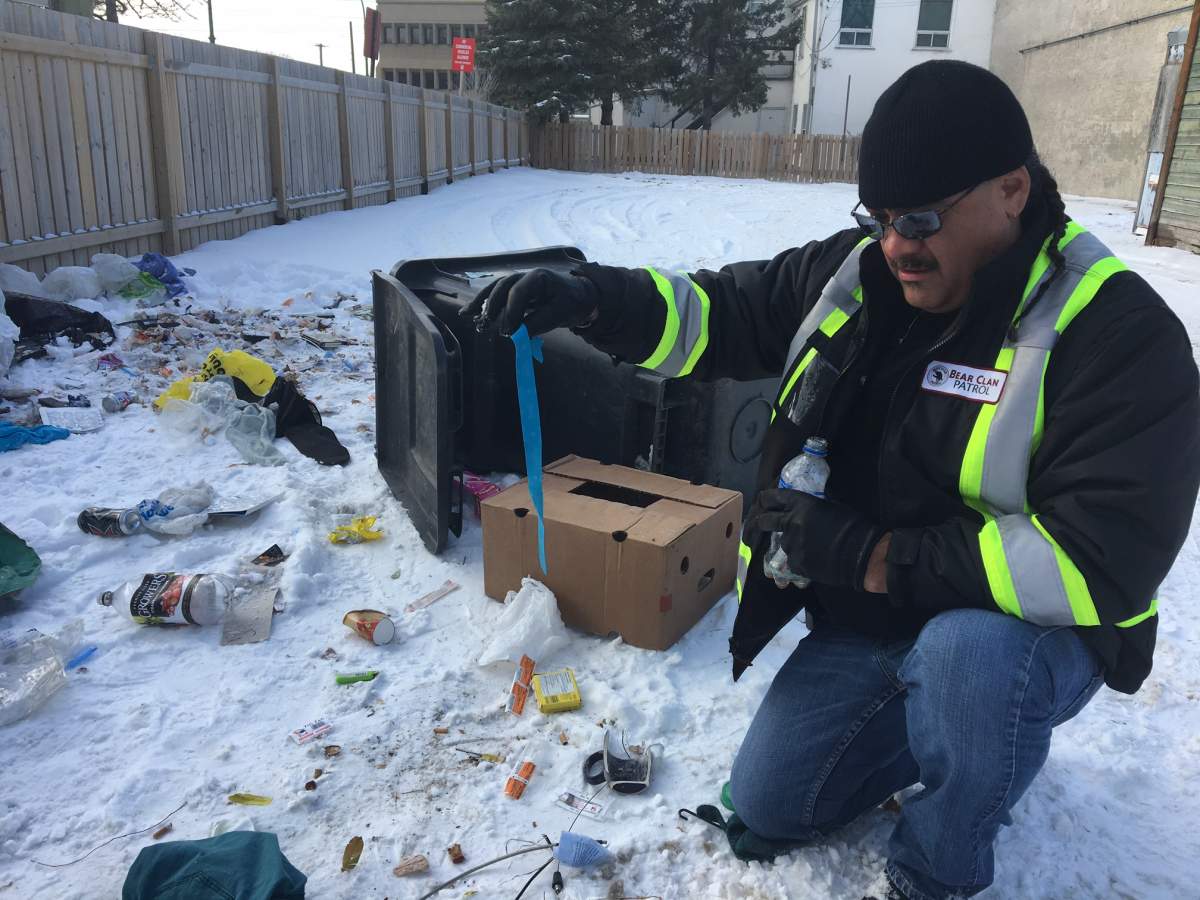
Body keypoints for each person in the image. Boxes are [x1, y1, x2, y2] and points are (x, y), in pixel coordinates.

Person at [466, 61, 1200, 899]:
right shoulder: (864, 273)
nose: (896, 246)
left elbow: (1099, 559)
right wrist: (592, 300)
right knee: (775, 803)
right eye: (880, 218)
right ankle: (938, 724)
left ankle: (937, 868)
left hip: (1017, 633)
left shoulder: (1116, 333)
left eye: (920, 219)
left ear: (1011, 190)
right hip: (872, 615)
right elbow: (722, 315)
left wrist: (874, 557)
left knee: (969, 666)